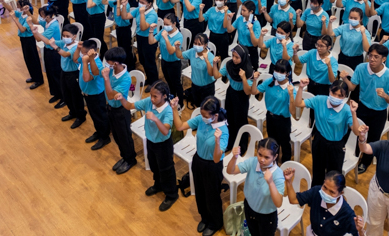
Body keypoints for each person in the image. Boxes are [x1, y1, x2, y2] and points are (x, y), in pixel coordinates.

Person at [116, 79, 179, 211]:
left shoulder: (168, 110)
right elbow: (129, 106)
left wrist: (156, 119)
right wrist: (122, 98)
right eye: (151, 95)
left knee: (166, 170)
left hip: (163, 145)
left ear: (164, 96)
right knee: (154, 166)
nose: (151, 99)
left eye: (155, 96)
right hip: (151, 141)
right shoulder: (148, 103)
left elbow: (165, 130)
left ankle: (172, 194)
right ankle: (158, 185)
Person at [171, 96, 229, 236]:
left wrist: (217, 141)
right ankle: (204, 217)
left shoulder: (223, 131)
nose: (202, 117)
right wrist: (174, 109)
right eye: (201, 114)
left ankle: (215, 222)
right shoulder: (201, 120)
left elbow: (216, 159)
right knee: (200, 192)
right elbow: (180, 126)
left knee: (212, 195)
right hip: (198, 161)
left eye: (205, 115)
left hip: (212, 166)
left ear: (215, 115)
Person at [340, 43, 389, 173]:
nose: (372, 59)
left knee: (373, 138)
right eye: (370, 56)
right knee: (355, 133)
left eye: (376, 57)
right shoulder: (361, 68)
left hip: (379, 112)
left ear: (383, 59)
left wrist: (385, 96)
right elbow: (352, 87)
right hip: (363, 107)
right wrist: (345, 79)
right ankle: (353, 156)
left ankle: (365, 162)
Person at [295, 78, 361, 186]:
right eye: (334, 93)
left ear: (345, 97)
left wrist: (354, 113)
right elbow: (298, 103)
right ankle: (315, 197)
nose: (336, 97)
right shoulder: (319, 100)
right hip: (319, 141)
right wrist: (301, 88)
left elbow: (356, 132)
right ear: (329, 90)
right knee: (317, 173)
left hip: (336, 146)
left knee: (334, 178)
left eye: (340, 96)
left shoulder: (346, 110)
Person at [226, 137, 285, 236]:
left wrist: (270, 183)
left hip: (267, 217)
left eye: (267, 157)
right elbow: (230, 171)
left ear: (275, 157)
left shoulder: (278, 175)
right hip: (249, 208)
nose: (262, 160)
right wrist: (234, 157)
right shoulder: (253, 162)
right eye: (260, 154)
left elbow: (278, 203)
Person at [283, 169, 365, 236]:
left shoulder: (347, 214)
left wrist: (360, 230)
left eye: (332, 192)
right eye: (325, 187)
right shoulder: (316, 192)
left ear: (341, 193)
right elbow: (294, 200)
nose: (326, 193)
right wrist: (289, 181)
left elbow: (357, 233)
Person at [210, 45, 258, 153]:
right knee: (230, 119)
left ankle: (243, 144)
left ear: (243, 57)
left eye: (237, 57)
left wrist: (244, 78)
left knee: (240, 121)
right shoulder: (229, 65)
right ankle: (231, 142)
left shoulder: (248, 70)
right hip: (231, 93)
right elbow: (216, 75)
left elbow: (247, 91)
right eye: (233, 56)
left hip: (241, 97)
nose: (234, 59)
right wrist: (214, 64)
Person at [101, 47, 137, 175]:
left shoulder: (126, 78)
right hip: (111, 108)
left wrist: (105, 78)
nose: (106, 64)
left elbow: (111, 95)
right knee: (116, 136)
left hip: (121, 110)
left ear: (115, 63)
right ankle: (125, 156)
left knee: (124, 136)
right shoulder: (112, 70)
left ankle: (130, 159)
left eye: (108, 62)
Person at [253, 59, 296, 163]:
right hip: (270, 117)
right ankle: (272, 162)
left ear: (288, 74)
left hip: (283, 120)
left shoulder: (290, 89)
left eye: (282, 72)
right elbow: (254, 91)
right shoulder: (269, 82)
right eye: (276, 70)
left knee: (285, 144)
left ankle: (286, 163)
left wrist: (291, 95)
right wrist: (255, 80)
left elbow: (293, 111)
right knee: (272, 142)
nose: (278, 74)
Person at [72, 40, 111, 150]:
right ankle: (99, 132)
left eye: (85, 53)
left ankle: (104, 137)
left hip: (96, 95)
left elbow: (86, 78)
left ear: (92, 52)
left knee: (100, 116)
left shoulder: (96, 64)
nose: (83, 56)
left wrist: (85, 62)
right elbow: (75, 59)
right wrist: (78, 49)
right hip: (88, 94)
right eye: (82, 53)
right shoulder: (85, 58)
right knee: (94, 116)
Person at [1, 0, 44, 89]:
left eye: (19, 6)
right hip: (23, 40)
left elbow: (22, 29)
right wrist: (3, 3)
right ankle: (33, 76)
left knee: (33, 60)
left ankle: (39, 80)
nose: (17, 8)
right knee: (27, 59)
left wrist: (14, 19)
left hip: (29, 40)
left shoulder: (28, 17)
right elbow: (11, 9)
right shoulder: (21, 13)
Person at [149, 13, 184, 105]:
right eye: (164, 24)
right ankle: (172, 98)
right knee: (169, 82)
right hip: (164, 61)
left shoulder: (179, 36)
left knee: (176, 84)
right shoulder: (163, 31)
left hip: (174, 64)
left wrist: (166, 38)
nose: (165, 26)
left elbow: (171, 51)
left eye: (167, 24)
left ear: (174, 24)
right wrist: (151, 31)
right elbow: (151, 41)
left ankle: (181, 103)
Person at [175, 33, 216, 107]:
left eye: (199, 44)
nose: (196, 46)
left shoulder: (210, 57)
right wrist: (177, 48)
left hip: (207, 88)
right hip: (195, 86)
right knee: (197, 105)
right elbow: (180, 55)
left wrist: (206, 61)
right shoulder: (192, 51)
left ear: (206, 45)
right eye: (195, 43)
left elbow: (211, 74)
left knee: (207, 109)